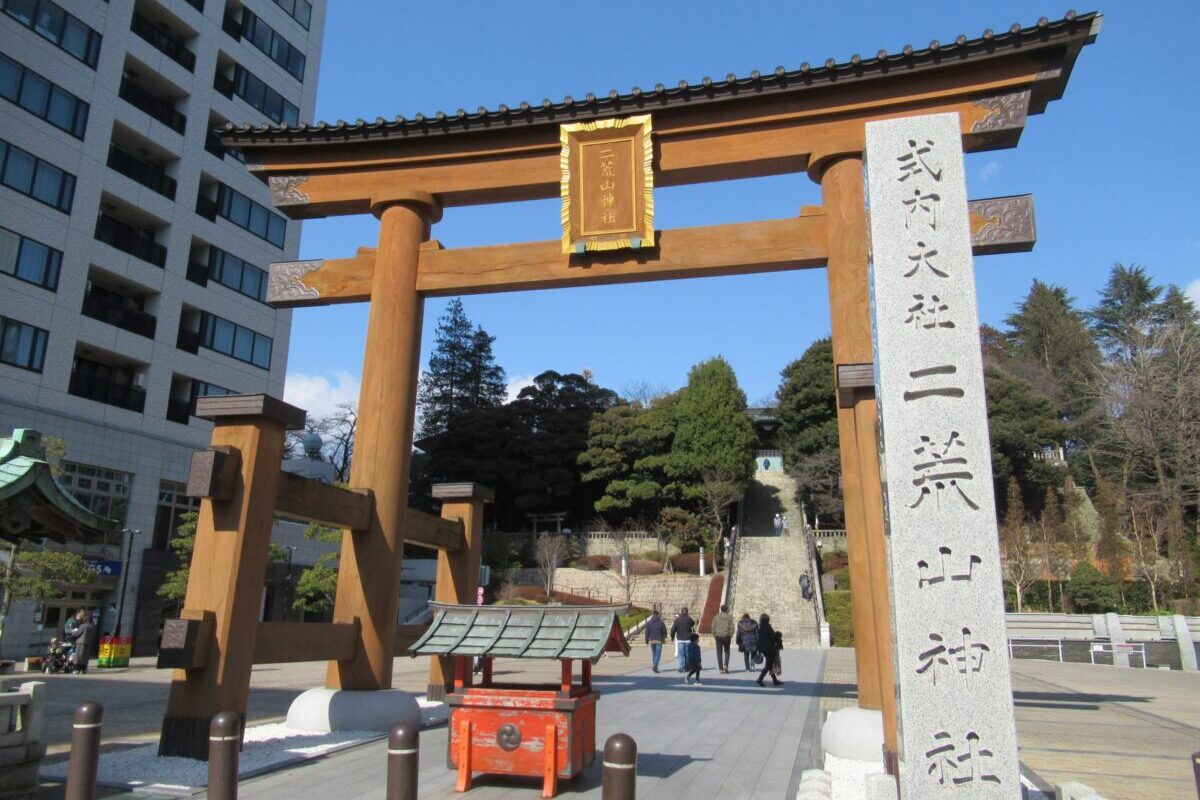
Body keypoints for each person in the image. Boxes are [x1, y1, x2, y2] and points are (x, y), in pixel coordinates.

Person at [756, 613, 782, 687]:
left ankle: (774, 680)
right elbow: (772, 637)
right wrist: (777, 636)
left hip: (763, 649)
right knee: (768, 666)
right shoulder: (768, 627)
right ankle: (760, 679)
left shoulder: (760, 627)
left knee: (770, 665)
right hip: (769, 649)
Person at [66, 609, 95, 674]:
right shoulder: (92, 626)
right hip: (88, 642)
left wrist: (73, 632)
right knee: (85, 656)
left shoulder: (83, 626)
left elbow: (77, 633)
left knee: (78, 656)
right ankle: (84, 669)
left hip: (80, 642)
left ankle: (77, 669)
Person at [670, 606, 696, 672]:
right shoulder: (689, 619)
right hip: (688, 639)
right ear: (687, 612)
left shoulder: (677, 620)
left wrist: (672, 637)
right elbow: (693, 623)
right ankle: (687, 667)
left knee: (681, 654)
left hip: (680, 639)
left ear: (681, 612)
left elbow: (673, 629)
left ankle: (682, 667)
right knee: (687, 653)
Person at [711, 604, 734, 674]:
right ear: (727, 609)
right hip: (726, 636)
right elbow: (732, 628)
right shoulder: (729, 617)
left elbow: (713, 627)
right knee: (727, 651)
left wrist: (715, 634)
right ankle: (726, 665)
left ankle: (720, 669)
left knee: (719, 652)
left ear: (721, 609)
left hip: (718, 636)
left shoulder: (716, 617)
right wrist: (730, 635)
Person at [643, 607, 667, 672]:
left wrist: (646, 640)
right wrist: (664, 637)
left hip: (652, 640)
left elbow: (647, 632)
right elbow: (664, 631)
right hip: (659, 640)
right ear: (658, 615)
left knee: (654, 654)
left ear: (652, 615)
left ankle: (655, 666)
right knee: (658, 654)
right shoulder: (661, 622)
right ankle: (655, 666)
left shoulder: (649, 623)